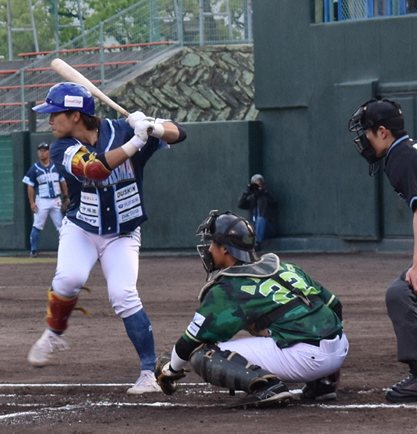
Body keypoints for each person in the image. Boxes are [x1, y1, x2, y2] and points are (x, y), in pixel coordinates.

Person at [26, 82, 187, 394]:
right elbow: (94, 169)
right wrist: (136, 143)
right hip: (82, 228)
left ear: (75, 115)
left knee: (123, 295)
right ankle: (54, 332)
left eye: (54, 114)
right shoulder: (60, 147)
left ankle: (147, 374)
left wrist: (152, 127)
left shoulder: (124, 129)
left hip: (123, 233)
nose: (49, 121)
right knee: (69, 278)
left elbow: (180, 133)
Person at [154, 210, 348, 408]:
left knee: (202, 354)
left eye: (212, 242)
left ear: (225, 250)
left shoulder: (230, 287)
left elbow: (192, 340)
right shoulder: (287, 268)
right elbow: (334, 305)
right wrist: (330, 362)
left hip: (304, 358)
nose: (209, 248)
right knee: (279, 321)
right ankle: (322, 385)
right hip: (339, 348)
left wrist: (170, 369)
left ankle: (269, 387)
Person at [348, 98, 417, 403]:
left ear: (384, 132)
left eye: (368, 133)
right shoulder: (407, 150)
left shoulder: (401, 156)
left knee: (401, 293)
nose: (364, 140)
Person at [22, 142, 68, 257]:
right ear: (38, 152)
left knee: (62, 227)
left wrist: (66, 197)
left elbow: (63, 181)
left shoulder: (56, 166)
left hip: (56, 199)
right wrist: (32, 202)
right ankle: (33, 250)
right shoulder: (34, 169)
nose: (42, 153)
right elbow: (30, 186)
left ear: (49, 152)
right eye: (40, 150)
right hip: (42, 201)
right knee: (37, 225)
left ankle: (65, 250)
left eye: (45, 150)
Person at [237, 174, 276, 251]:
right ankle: (246, 244)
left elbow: (274, 202)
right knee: (245, 224)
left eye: (259, 185)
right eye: (255, 185)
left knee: (261, 220)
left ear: (263, 185)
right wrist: (247, 192)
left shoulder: (266, 196)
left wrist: (263, 192)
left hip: (267, 228)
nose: (257, 188)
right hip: (254, 227)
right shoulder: (252, 198)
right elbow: (240, 205)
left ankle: (257, 243)